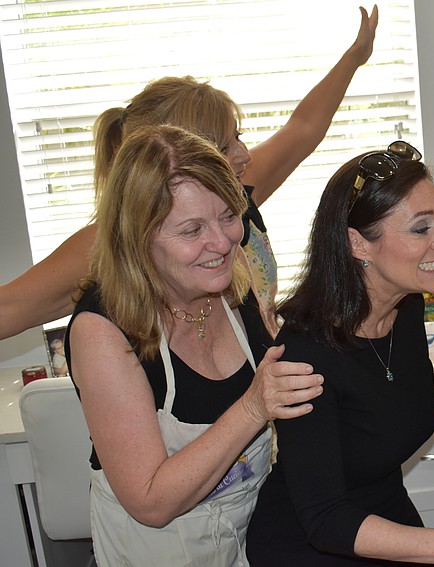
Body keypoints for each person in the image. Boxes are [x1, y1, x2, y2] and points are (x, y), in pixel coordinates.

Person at [246, 142, 434, 566]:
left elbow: (388, 411)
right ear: (358, 244)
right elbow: (326, 518)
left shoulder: (402, 309)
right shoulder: (305, 357)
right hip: (311, 548)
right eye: (421, 229)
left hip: (386, 521)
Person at [0, 5, 379, 340]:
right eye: (226, 146)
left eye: (239, 138)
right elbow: (11, 309)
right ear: (179, 156)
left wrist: (355, 57)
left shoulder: (235, 196)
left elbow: (304, 127)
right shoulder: (116, 237)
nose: (245, 155)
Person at [65, 125, 324, 566]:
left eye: (228, 215)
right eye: (191, 230)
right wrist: (252, 408)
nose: (222, 242)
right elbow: (150, 501)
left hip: (252, 540)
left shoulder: (228, 273)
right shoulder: (103, 330)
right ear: (138, 238)